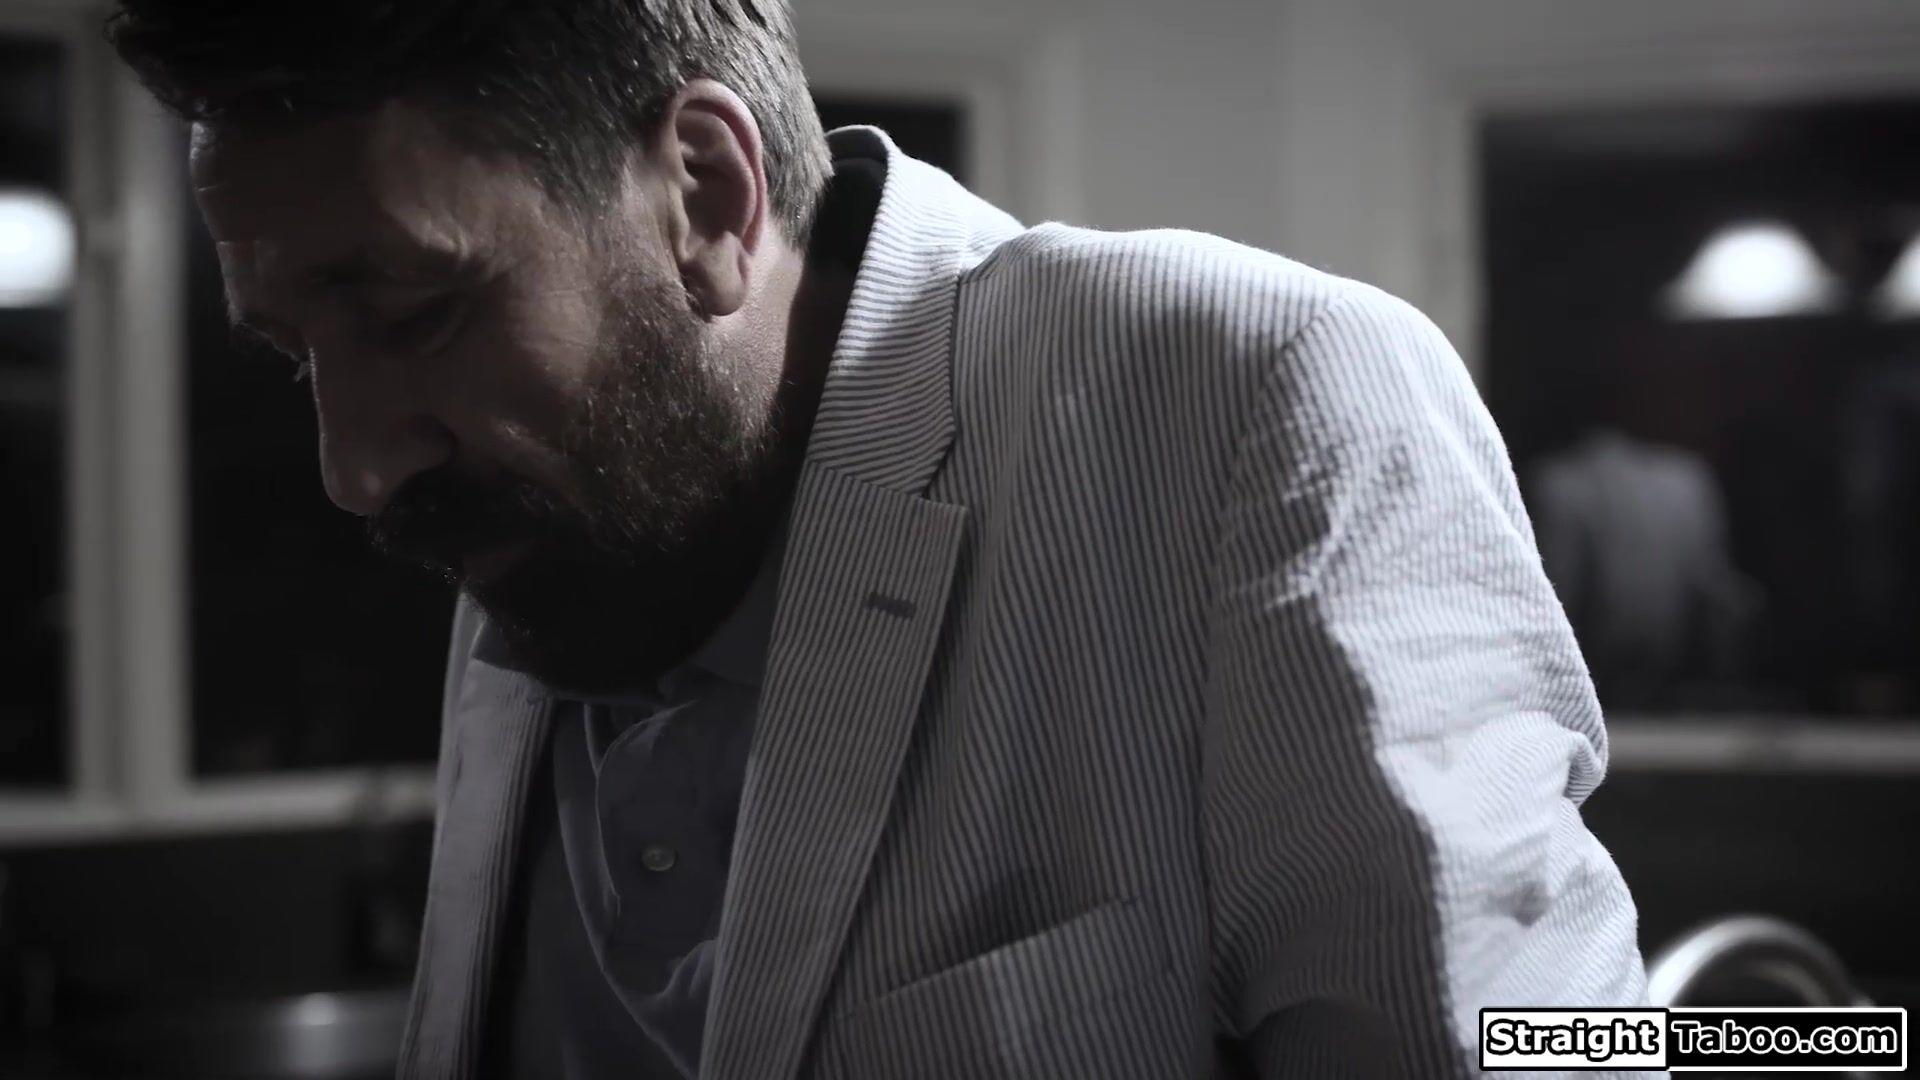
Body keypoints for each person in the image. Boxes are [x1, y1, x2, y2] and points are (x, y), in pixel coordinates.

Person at [106, 1, 1650, 1076]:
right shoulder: (560, 502)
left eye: (415, 313)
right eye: (300, 358)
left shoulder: (1244, 394)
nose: (356, 468)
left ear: (704, 197)